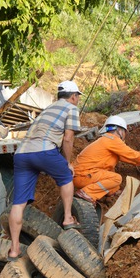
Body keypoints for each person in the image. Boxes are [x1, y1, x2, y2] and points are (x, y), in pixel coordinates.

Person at [7, 80, 83, 260]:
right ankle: (67, 218)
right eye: (77, 97)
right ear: (73, 96)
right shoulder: (71, 108)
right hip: (44, 150)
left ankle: (14, 249)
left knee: (18, 202)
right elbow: (68, 139)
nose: (78, 100)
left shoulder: (48, 108)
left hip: (22, 154)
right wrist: (68, 162)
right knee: (66, 176)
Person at [73, 115, 140, 204]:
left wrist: (115, 190)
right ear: (120, 130)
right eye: (125, 132)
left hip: (82, 176)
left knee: (111, 175)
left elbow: (126, 158)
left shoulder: (105, 140)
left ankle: (103, 193)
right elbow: (130, 153)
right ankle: (87, 193)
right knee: (116, 178)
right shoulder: (112, 140)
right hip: (83, 176)